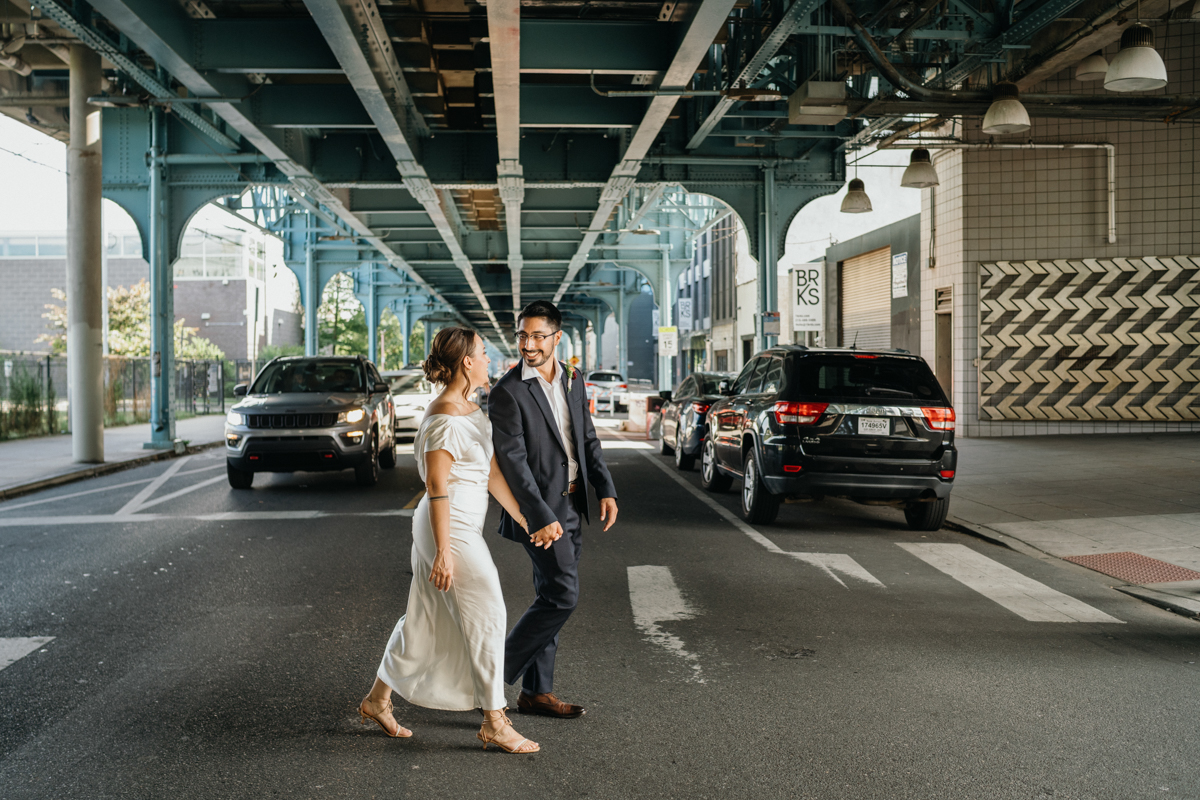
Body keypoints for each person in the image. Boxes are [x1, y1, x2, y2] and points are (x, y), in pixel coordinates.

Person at [358, 327, 548, 754]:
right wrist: (443, 551)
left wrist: (524, 518)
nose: (488, 360)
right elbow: (437, 488)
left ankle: (376, 700)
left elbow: (491, 474)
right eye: (482, 353)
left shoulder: (470, 409)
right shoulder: (444, 416)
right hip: (449, 529)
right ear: (466, 362)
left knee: (423, 617)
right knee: (490, 612)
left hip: (459, 525)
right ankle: (494, 721)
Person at [488, 300, 618, 719]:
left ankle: (536, 693)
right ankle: (488, 680)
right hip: (540, 511)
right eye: (523, 335)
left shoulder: (574, 379)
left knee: (551, 595)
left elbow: (588, 438)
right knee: (563, 595)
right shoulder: (507, 391)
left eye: (537, 336)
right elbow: (512, 462)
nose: (528, 344)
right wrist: (539, 516)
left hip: (572, 504)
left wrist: (605, 488)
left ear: (556, 338)